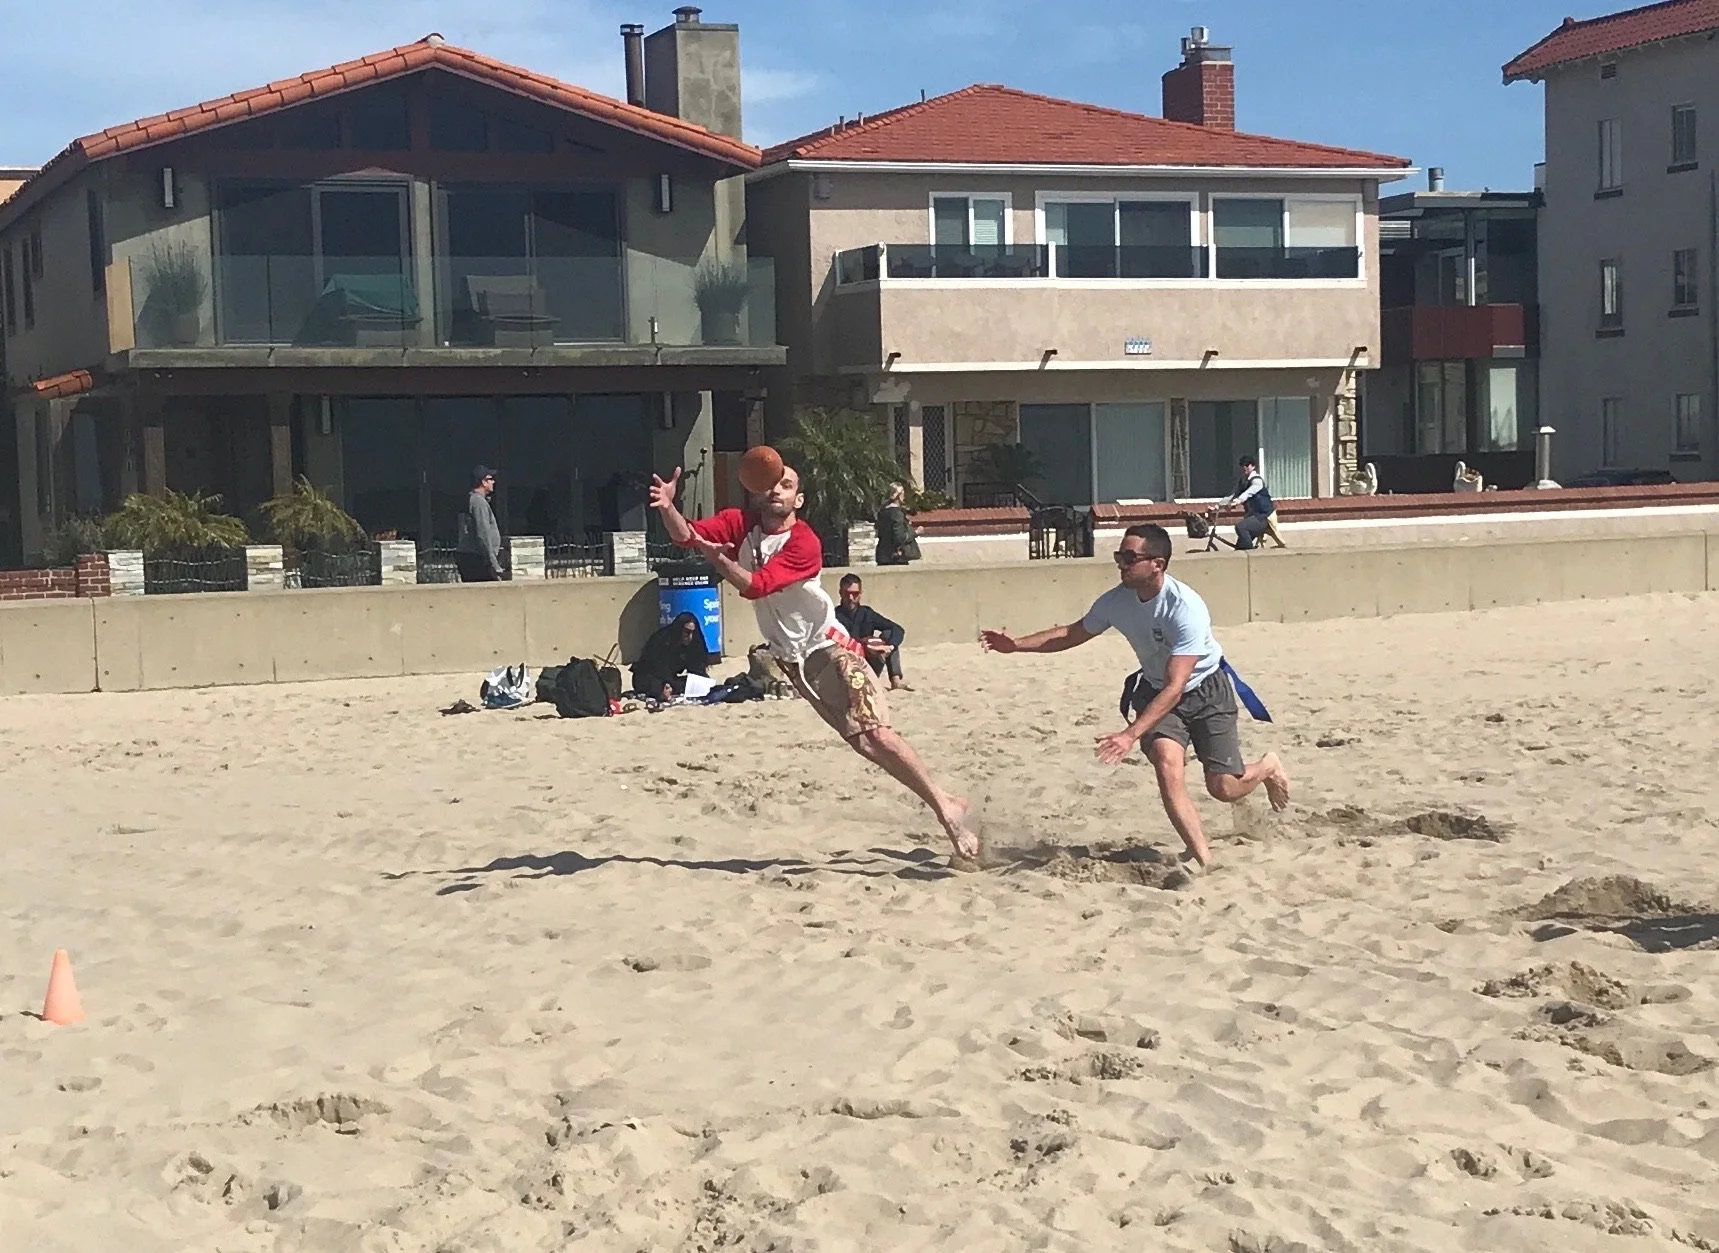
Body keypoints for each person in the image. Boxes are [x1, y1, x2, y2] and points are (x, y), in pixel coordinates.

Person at [649, 462, 979, 861]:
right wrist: (668, 507)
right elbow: (687, 536)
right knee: (864, 744)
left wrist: (717, 559)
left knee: (878, 734)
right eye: (771, 483)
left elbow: (756, 585)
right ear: (758, 489)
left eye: (786, 485)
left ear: (798, 499)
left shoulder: (804, 541)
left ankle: (945, 809)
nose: (777, 490)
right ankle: (946, 800)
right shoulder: (741, 524)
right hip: (796, 665)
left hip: (831, 649)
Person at [980, 523, 1290, 871]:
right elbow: (1073, 633)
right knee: (1167, 763)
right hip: (1155, 691)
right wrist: (1016, 645)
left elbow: (1177, 686)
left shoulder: (1184, 608)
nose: (1121, 565)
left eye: (1129, 558)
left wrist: (1130, 735)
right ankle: (1201, 856)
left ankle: (1267, 766)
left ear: (1157, 564)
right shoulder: (1117, 601)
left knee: (1224, 788)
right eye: (1119, 556)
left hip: (1205, 691)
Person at [834, 574, 912, 691]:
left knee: (888, 634)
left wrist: (889, 647)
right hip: (847, 665)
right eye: (847, 593)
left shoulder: (867, 613)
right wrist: (867, 645)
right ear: (840, 593)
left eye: (855, 594)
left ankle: (895, 680)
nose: (850, 598)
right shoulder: (834, 616)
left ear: (860, 594)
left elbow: (897, 629)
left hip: (871, 664)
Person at [631, 611, 715, 702]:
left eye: (692, 633)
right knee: (655, 685)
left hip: (671, 679)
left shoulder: (693, 643)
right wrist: (665, 685)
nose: (690, 637)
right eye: (687, 632)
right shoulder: (662, 639)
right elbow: (655, 667)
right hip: (649, 675)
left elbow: (697, 669)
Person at [1217, 456, 1286, 550]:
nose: (1244, 467)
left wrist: (1237, 502)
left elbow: (1248, 493)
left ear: (1253, 466)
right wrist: (1217, 506)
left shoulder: (1257, 480)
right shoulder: (1243, 481)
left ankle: (1251, 554)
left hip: (1264, 516)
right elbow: (1232, 495)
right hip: (1254, 516)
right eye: (1242, 465)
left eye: (1247, 465)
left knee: (1241, 527)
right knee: (1241, 545)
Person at [456, 465, 505, 581]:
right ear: (483, 482)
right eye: (490, 479)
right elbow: (483, 534)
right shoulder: (478, 502)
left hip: (471, 557)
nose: (493, 482)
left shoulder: (473, 500)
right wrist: (493, 564)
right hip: (477, 559)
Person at [874, 483, 921, 566]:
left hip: (882, 555)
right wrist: (915, 532)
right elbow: (900, 537)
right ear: (898, 496)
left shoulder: (882, 512)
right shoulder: (897, 513)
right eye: (902, 493)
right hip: (896, 557)